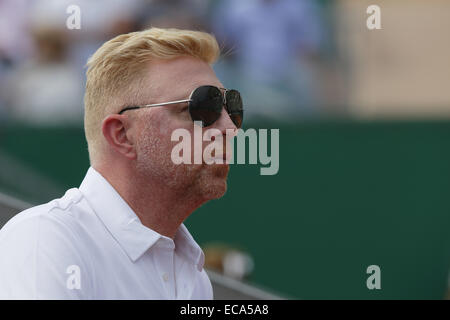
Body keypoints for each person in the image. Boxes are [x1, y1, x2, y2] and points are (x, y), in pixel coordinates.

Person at [0, 27, 242, 299]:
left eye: (232, 106)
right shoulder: (45, 240)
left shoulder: (194, 277)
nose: (229, 127)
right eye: (202, 107)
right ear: (122, 135)